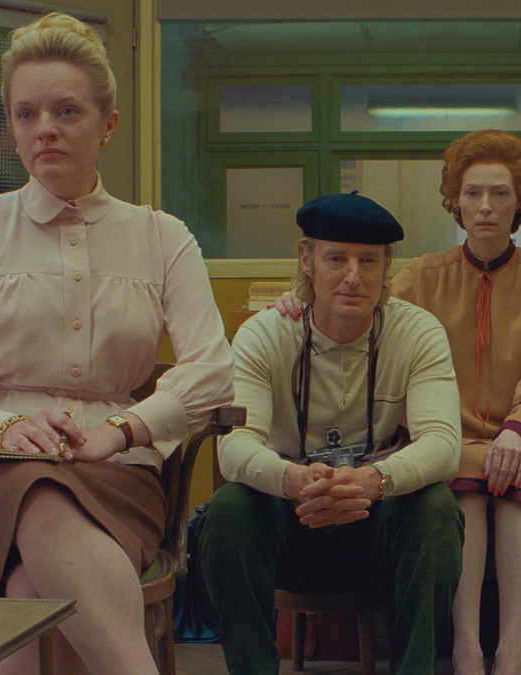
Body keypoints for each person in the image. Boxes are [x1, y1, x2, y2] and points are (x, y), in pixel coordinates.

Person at [0, 13, 234, 675]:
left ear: (108, 125)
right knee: (37, 486)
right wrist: (5, 428)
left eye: (66, 111)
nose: (44, 129)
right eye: (25, 114)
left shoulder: (162, 237)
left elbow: (214, 372)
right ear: (11, 126)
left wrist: (122, 430)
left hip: (113, 476)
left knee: (35, 585)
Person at [274, 129, 521, 675]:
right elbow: (358, 304)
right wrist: (298, 298)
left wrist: (518, 429)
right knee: (460, 472)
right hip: (442, 439)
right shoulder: (420, 275)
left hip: (519, 439)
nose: (485, 206)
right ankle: (466, 647)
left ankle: (512, 648)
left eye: (500, 194)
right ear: (455, 202)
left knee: (514, 474)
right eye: (472, 193)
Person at [201, 192, 465, 675]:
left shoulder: (418, 332)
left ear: (388, 266)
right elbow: (234, 448)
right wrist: (295, 481)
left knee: (437, 509)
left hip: (376, 524)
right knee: (229, 510)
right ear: (306, 260)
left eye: (369, 260)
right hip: (292, 522)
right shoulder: (265, 334)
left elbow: (444, 446)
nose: (353, 276)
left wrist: (372, 482)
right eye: (336, 259)